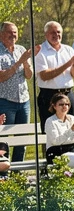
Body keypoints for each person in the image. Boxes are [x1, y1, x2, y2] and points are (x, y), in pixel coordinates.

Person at [35, 21, 74, 127]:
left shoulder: (68, 50)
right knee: (48, 131)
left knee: (71, 128)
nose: (56, 35)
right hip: (49, 96)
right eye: (53, 32)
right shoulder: (40, 51)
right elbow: (45, 75)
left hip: (68, 94)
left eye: (58, 32)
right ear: (46, 34)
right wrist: (69, 63)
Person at [0, 21, 33, 163]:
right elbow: (2, 77)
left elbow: (29, 75)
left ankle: (18, 172)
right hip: (6, 101)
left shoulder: (21, 49)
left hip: (24, 101)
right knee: (4, 140)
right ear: (1, 34)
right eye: (9, 32)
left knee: (22, 138)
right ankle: (4, 173)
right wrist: (19, 62)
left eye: (15, 32)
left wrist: (26, 63)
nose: (13, 35)